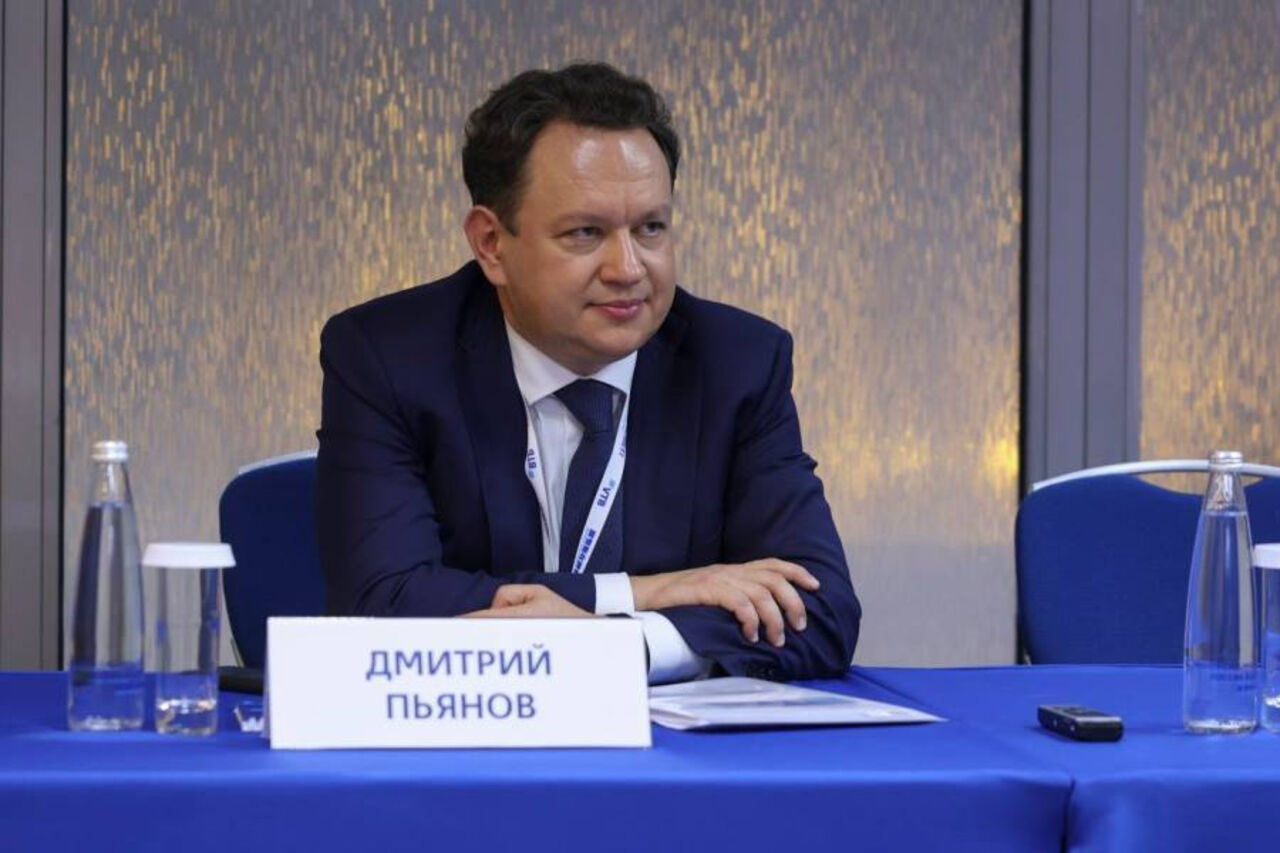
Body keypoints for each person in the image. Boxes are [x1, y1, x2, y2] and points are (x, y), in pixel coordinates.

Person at [316, 62, 860, 684]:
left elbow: (819, 609)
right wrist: (644, 593)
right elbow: (383, 601)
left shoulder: (737, 363)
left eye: (650, 228)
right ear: (491, 243)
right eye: (586, 232)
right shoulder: (389, 357)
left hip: (665, 742)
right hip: (467, 727)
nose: (628, 268)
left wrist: (624, 645)